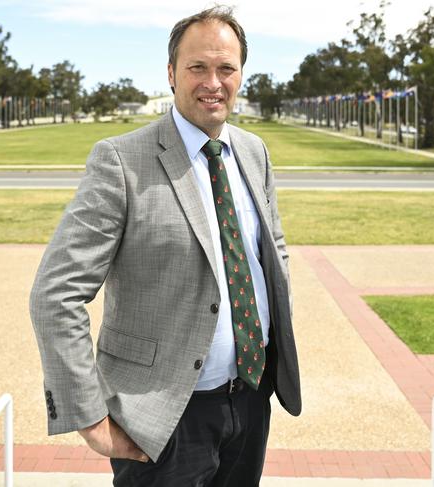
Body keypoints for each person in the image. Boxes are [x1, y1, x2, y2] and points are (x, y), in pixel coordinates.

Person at [30, 6, 301, 486]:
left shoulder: (253, 152)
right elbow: (57, 293)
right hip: (164, 416)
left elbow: (271, 253)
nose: (212, 82)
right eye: (198, 67)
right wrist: (89, 416)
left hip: (251, 400)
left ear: (241, 75)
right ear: (172, 72)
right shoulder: (120, 160)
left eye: (226, 69)